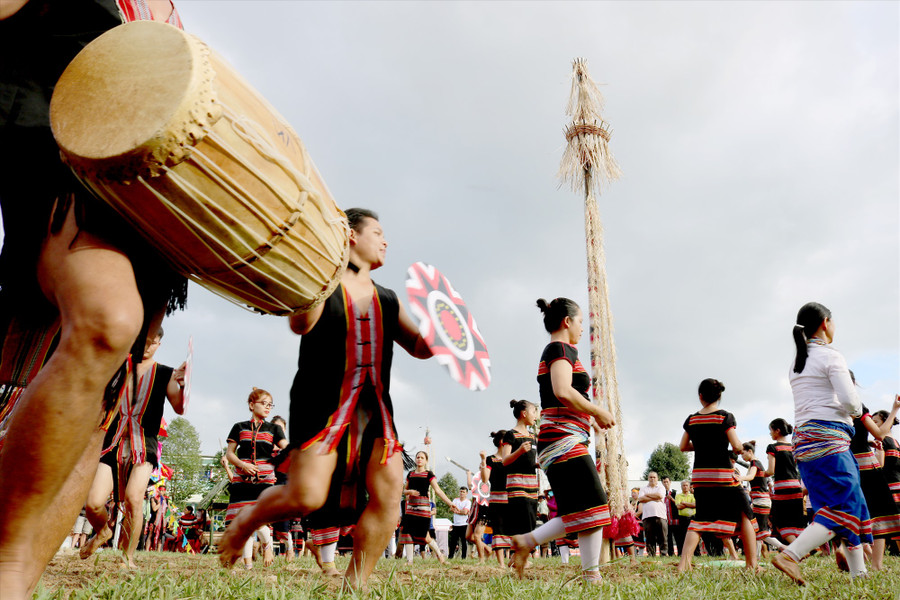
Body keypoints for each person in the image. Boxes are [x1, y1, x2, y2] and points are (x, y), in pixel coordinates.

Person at [0, 2, 189, 596]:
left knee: (98, 410)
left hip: (148, 201)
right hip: (59, 162)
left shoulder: (167, 13)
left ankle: (17, 584)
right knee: (108, 321)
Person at [218, 209, 434, 589]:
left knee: (388, 496)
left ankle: (355, 586)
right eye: (378, 232)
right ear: (351, 236)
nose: (386, 241)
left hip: (375, 410)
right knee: (307, 496)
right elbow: (299, 323)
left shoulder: (388, 298)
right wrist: (313, 283)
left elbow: (419, 347)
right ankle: (247, 521)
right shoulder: (322, 283)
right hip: (322, 403)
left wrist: (445, 329)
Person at [509, 297, 615, 585]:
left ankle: (530, 544)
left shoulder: (565, 351)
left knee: (584, 509)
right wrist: (598, 411)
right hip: (561, 439)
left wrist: (589, 420)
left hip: (565, 436)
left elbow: (566, 397)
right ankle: (589, 573)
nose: (582, 328)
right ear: (567, 321)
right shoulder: (559, 348)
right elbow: (563, 390)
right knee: (595, 504)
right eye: (580, 321)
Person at [771, 302, 870, 585]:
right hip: (829, 439)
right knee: (845, 504)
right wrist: (854, 412)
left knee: (842, 503)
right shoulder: (830, 356)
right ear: (825, 322)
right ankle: (791, 555)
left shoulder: (797, 361)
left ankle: (859, 573)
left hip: (805, 441)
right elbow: (851, 401)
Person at [79, 327, 186, 567]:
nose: (147, 346)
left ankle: (127, 558)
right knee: (94, 503)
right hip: (113, 441)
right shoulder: (116, 368)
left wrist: (181, 383)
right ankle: (103, 532)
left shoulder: (165, 373)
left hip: (144, 443)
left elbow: (179, 408)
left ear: (159, 344)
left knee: (134, 499)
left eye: (152, 342)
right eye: (143, 342)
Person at [676, 378, 758, 573]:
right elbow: (737, 446)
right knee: (745, 512)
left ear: (700, 396)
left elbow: (683, 447)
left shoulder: (691, 419)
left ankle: (683, 566)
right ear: (719, 396)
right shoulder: (725, 417)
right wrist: (730, 448)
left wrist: (703, 445)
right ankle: (752, 565)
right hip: (722, 475)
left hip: (700, 476)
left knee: (700, 519)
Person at [224, 388, 287, 570]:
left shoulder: (274, 428)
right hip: (241, 480)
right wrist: (243, 465)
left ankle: (267, 545)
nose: (268, 407)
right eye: (264, 403)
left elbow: (286, 447)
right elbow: (230, 454)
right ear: (252, 405)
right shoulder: (239, 427)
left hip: (265, 480)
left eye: (270, 404)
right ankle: (248, 566)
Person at [847, 383, 900, 571]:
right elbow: (880, 432)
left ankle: (863, 558)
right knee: (880, 515)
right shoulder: (856, 406)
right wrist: (894, 409)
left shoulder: (826, 408)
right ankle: (875, 564)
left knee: (850, 514)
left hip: (844, 465)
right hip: (866, 465)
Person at [400, 451, 453, 564]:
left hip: (424, 510)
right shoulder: (410, 474)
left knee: (426, 537)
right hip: (410, 509)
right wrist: (409, 491)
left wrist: (450, 503)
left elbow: (438, 490)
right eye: (418, 457)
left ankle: (440, 556)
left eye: (422, 457)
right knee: (407, 534)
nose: (419, 459)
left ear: (426, 460)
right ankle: (409, 561)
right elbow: (403, 491)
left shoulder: (429, 474)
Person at [502, 399, 540, 555]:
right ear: (524, 414)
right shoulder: (510, 435)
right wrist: (519, 452)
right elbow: (504, 460)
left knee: (531, 518)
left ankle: (523, 555)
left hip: (532, 484)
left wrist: (538, 464)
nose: (535, 416)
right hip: (516, 483)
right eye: (533, 412)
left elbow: (533, 460)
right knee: (520, 520)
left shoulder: (533, 436)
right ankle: (516, 555)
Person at [764, 418, 805, 546]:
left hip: (782, 489)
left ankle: (799, 550)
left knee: (780, 521)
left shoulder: (773, 448)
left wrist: (760, 474)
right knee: (796, 521)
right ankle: (803, 546)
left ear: (777, 430)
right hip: (796, 487)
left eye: (771, 430)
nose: (770, 433)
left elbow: (770, 471)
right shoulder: (794, 447)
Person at [872, 403, 900, 555]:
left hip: (888, 485)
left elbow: (880, 465)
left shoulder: (882, 441)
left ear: (885, 421)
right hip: (897, 483)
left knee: (888, 519)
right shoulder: (895, 442)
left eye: (875, 422)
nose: (873, 426)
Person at [739, 441, 774, 556]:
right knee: (758, 531)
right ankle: (757, 556)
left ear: (750, 451)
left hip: (761, 500)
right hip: (760, 500)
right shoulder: (754, 463)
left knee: (761, 532)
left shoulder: (755, 463)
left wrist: (739, 477)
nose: (742, 456)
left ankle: (783, 547)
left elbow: (750, 477)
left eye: (743, 453)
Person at [481, 432, 510, 565]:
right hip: (497, 499)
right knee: (498, 530)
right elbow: (485, 479)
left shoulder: (512, 458)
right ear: (501, 442)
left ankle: (515, 560)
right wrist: (482, 460)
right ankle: (501, 563)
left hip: (512, 498)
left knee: (513, 529)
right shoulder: (490, 459)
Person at [638, 472, 668, 557]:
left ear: (657, 478)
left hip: (660, 515)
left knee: (662, 536)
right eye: (650, 477)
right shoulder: (643, 488)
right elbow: (640, 499)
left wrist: (647, 496)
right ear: (648, 478)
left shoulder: (661, 487)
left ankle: (663, 553)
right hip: (647, 516)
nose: (652, 479)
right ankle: (651, 554)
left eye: (654, 477)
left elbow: (659, 496)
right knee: (649, 537)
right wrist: (655, 498)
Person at [674, 480, 695, 556]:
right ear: (681, 487)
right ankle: (681, 553)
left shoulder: (692, 496)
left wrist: (685, 503)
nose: (685, 487)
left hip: (692, 518)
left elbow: (695, 505)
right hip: (682, 518)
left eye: (686, 485)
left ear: (689, 487)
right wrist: (690, 505)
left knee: (693, 535)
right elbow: (678, 506)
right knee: (682, 536)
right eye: (683, 485)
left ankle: (696, 553)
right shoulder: (678, 496)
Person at [448, 486, 471, 559]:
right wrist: (461, 511)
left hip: (464, 524)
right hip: (455, 524)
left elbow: (465, 512)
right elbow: (451, 509)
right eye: (461, 492)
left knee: (464, 542)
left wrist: (457, 511)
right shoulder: (455, 500)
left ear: (466, 493)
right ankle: (450, 556)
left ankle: (463, 557)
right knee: (453, 542)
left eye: (463, 492)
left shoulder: (468, 502)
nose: (461, 493)